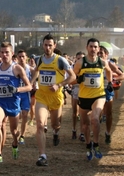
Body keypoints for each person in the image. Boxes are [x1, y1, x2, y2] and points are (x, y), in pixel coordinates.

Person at [0, 42, 32, 165]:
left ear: (12, 53)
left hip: (13, 102)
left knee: (14, 131)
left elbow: (29, 86)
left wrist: (17, 90)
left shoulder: (17, 68)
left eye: (6, 52)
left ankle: (14, 143)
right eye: (2, 52)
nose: (4, 55)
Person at [30, 34, 76, 166]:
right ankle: (42, 156)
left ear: (54, 46)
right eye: (45, 45)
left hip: (56, 97)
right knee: (39, 124)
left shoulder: (61, 60)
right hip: (42, 96)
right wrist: (32, 82)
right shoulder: (39, 59)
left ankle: (56, 132)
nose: (48, 47)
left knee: (55, 124)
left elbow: (72, 77)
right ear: (42, 45)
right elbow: (36, 71)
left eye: (50, 45)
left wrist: (59, 85)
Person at [73, 38, 112, 161]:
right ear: (87, 47)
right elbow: (72, 79)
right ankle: (88, 145)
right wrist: (79, 79)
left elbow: (109, 71)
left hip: (99, 95)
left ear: (99, 49)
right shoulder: (80, 63)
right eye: (91, 46)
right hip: (84, 97)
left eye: (96, 47)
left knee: (95, 118)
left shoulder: (102, 62)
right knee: (85, 124)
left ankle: (96, 144)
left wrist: (110, 82)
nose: (93, 49)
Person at [98, 45, 124, 144]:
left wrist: (113, 79)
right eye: (98, 53)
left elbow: (123, 75)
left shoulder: (110, 63)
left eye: (101, 53)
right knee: (97, 113)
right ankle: (95, 132)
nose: (99, 54)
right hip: (95, 91)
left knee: (109, 114)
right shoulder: (92, 63)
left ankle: (108, 133)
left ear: (106, 55)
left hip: (107, 90)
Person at [17, 50, 33, 145]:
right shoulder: (14, 68)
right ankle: (16, 132)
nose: (22, 58)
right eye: (20, 56)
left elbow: (37, 72)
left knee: (24, 115)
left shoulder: (29, 69)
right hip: (17, 94)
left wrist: (32, 82)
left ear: (26, 57)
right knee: (16, 116)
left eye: (23, 56)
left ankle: (22, 136)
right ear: (17, 58)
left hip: (26, 94)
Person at [71, 51, 85, 141]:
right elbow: (70, 81)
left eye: (82, 58)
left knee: (83, 113)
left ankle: (82, 133)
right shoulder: (72, 68)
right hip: (75, 90)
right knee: (75, 112)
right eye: (78, 58)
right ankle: (74, 129)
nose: (80, 60)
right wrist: (78, 80)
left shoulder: (87, 68)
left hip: (85, 91)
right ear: (76, 59)